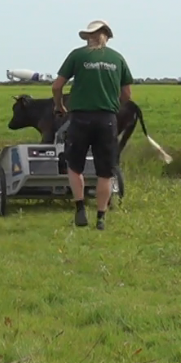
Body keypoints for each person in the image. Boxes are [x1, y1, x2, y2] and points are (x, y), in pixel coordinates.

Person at [51, 19, 133, 230]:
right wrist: (111, 103)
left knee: (74, 165)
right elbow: (127, 95)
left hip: (80, 118)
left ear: (89, 37)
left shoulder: (77, 55)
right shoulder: (118, 59)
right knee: (105, 171)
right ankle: (101, 217)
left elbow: (57, 85)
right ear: (107, 35)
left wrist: (60, 105)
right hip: (106, 119)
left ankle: (80, 208)